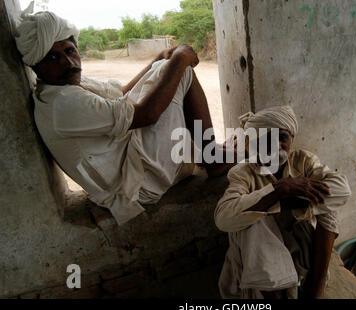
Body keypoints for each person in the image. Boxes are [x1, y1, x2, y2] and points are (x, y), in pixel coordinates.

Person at [14, 10, 230, 225]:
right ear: (36, 66)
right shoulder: (62, 103)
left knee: (163, 68)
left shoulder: (64, 86)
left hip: (130, 165)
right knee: (180, 72)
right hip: (137, 186)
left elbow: (123, 92)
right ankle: (215, 160)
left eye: (70, 51)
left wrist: (158, 59)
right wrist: (180, 60)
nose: (69, 63)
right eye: (53, 58)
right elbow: (147, 114)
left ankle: (205, 153)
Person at [214, 105, 352, 299]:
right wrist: (277, 191)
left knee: (326, 205)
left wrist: (283, 200)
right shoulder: (243, 172)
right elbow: (223, 218)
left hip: (296, 245)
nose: (277, 146)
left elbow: (342, 190)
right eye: (267, 140)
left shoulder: (303, 161)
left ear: (292, 139)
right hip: (261, 263)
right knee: (250, 221)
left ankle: (316, 289)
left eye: (282, 138)